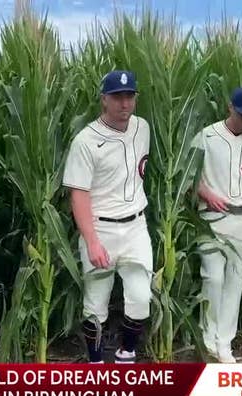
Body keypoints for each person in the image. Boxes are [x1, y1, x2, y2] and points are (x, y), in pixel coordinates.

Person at [62, 70, 153, 364]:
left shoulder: (142, 128)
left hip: (136, 225)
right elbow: (79, 195)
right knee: (95, 305)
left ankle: (127, 353)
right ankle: (96, 365)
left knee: (140, 298)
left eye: (130, 97)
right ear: (104, 100)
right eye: (117, 97)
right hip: (101, 228)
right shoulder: (86, 141)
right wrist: (91, 241)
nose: (124, 104)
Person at [192, 86, 242, 363]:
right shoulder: (207, 136)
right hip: (211, 219)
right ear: (229, 108)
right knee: (213, 277)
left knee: (235, 282)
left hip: (241, 219)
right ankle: (207, 338)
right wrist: (206, 194)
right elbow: (188, 174)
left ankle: (224, 343)